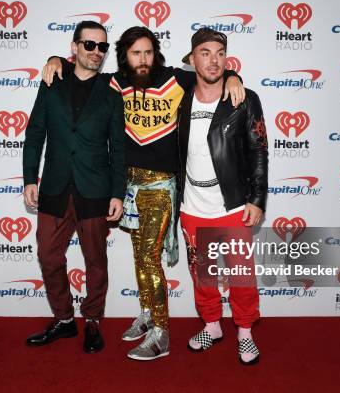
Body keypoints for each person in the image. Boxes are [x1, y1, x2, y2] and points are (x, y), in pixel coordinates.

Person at [41, 26, 245, 360]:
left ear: (156, 53)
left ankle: (162, 334)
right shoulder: (112, 83)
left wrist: (234, 75)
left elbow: (212, 74)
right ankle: (149, 314)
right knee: (140, 256)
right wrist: (55, 60)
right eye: (136, 53)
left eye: (148, 52)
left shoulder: (177, 79)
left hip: (160, 185)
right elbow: (78, 72)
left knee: (150, 257)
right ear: (124, 55)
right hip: (128, 186)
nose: (143, 59)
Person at [22, 21, 125, 354]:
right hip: (54, 184)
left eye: (102, 47)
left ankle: (92, 321)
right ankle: (65, 320)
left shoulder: (112, 90)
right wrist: (28, 179)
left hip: (95, 187)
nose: (96, 52)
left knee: (96, 261)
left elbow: (119, 146)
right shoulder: (53, 80)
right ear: (75, 47)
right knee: (48, 256)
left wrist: (118, 192)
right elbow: (35, 132)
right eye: (89, 45)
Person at [176, 28, 268, 365]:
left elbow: (259, 151)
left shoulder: (244, 98)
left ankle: (244, 330)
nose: (213, 60)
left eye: (219, 53)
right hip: (191, 206)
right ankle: (212, 325)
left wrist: (257, 199)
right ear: (192, 59)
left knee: (241, 276)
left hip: (232, 205)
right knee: (203, 276)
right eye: (205, 53)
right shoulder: (181, 97)